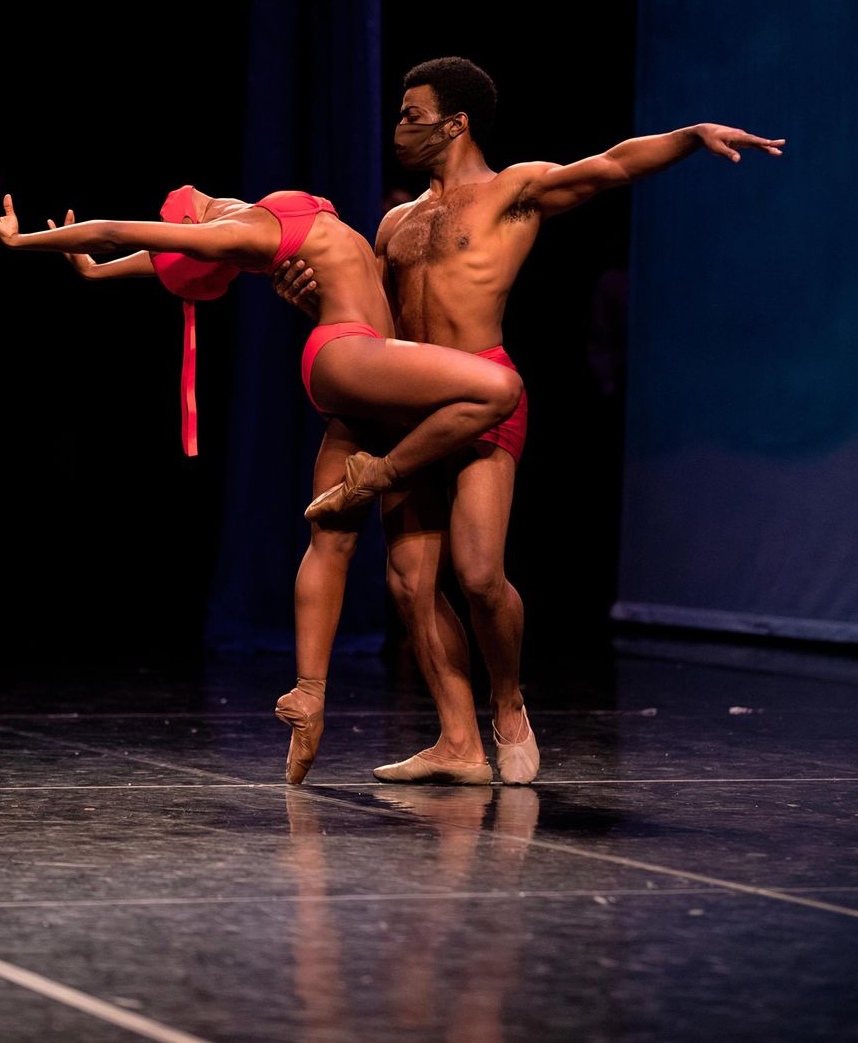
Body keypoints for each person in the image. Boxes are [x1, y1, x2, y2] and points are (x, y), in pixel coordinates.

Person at [274, 56, 785, 785]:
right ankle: (457, 742)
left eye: (412, 116)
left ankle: (507, 704)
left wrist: (689, 135)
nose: (397, 130)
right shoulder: (393, 222)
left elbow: (607, 165)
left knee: (479, 576)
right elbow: (372, 323)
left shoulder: (514, 191)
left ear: (457, 123)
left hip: (480, 399)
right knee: (410, 581)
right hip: (407, 407)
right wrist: (309, 302)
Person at [0, 176, 523, 783]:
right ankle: (384, 474)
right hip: (352, 356)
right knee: (496, 388)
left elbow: (156, 250)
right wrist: (21, 242)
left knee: (331, 534)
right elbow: (121, 230)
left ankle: (309, 695)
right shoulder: (248, 228)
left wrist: (100, 274)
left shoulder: (253, 225)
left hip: (358, 381)